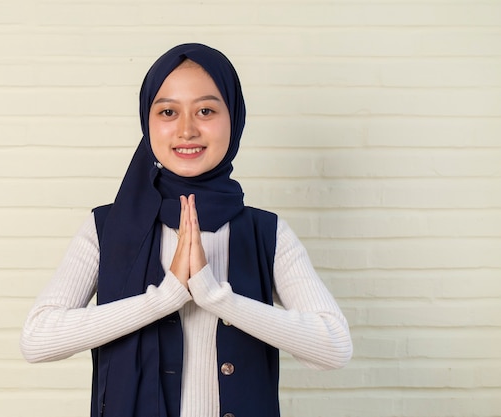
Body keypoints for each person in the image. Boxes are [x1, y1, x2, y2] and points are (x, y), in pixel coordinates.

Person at [20, 43, 352, 417]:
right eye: (167, 112)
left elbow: (334, 347)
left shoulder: (267, 233)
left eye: (206, 110)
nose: (186, 129)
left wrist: (217, 297)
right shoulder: (106, 228)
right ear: (148, 122)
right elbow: (37, 339)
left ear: (235, 118)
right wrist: (164, 299)